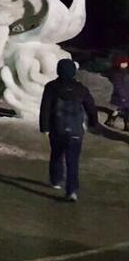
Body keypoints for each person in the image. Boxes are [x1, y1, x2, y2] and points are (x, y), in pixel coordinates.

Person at [39, 58, 98, 202]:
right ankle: (72, 191)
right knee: (73, 161)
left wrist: (44, 127)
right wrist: (93, 123)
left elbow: (45, 108)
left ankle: (56, 180)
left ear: (59, 70)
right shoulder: (81, 89)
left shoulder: (51, 87)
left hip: (57, 128)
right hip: (76, 130)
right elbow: (91, 107)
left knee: (56, 155)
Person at [104, 56, 129, 131]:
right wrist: (123, 95)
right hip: (122, 95)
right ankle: (126, 125)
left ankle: (111, 121)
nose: (125, 64)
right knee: (125, 110)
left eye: (126, 63)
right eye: (123, 63)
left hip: (125, 94)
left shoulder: (125, 71)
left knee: (121, 109)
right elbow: (118, 86)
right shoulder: (117, 74)